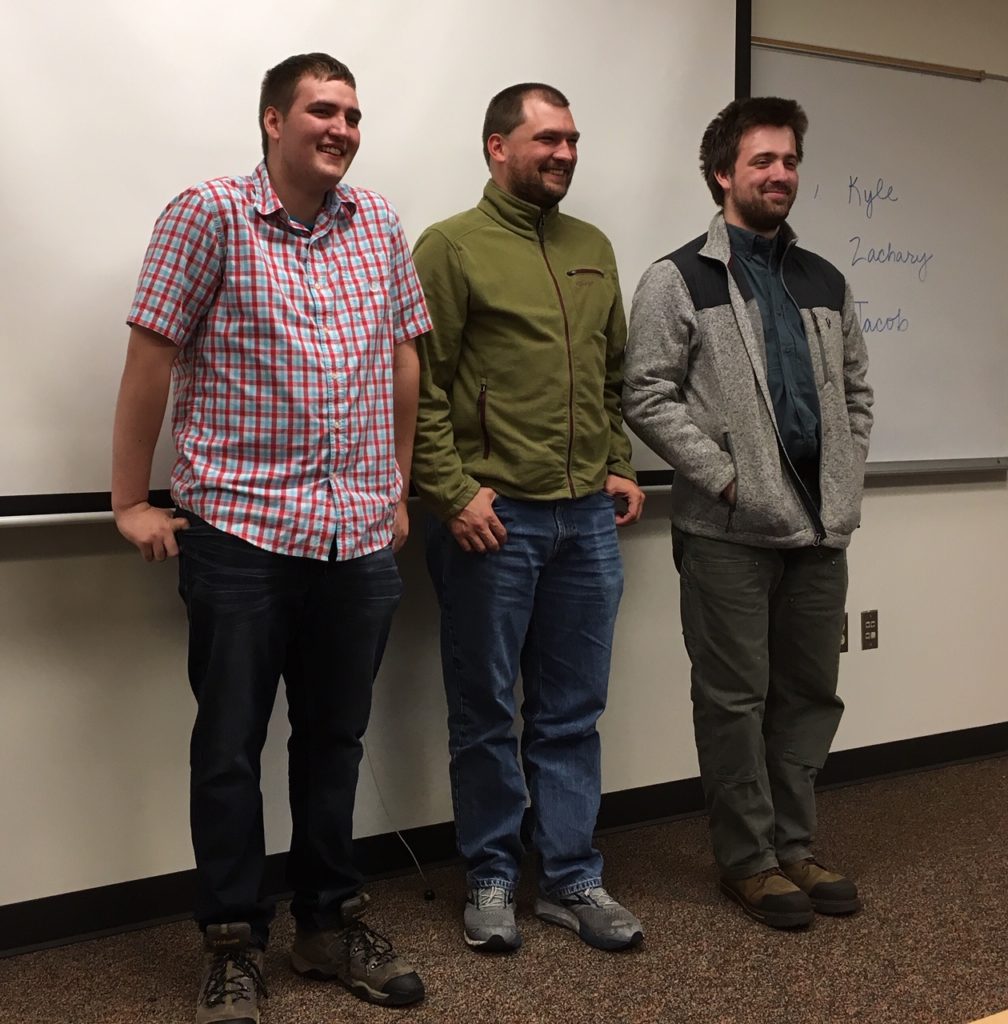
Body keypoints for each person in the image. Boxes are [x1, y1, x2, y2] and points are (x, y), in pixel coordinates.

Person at [111, 53, 431, 1022]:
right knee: (230, 747)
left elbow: (405, 354)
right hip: (242, 532)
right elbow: (152, 354)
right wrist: (130, 499)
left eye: (353, 113)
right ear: (272, 120)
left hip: (358, 536)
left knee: (334, 740)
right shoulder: (206, 213)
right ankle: (232, 943)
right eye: (321, 110)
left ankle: (329, 922)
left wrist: (399, 485)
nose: (340, 127)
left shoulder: (377, 221)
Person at [623, 97, 873, 930]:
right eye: (762, 161)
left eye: (790, 161)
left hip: (818, 530)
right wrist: (727, 481)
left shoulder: (824, 279)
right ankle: (750, 862)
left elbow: (859, 393)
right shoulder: (679, 277)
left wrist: (845, 478)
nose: (780, 175)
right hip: (729, 533)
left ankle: (796, 846)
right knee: (734, 699)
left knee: (809, 694)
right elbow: (647, 394)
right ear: (723, 173)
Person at [410, 83, 645, 953]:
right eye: (547, 139)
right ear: (495, 148)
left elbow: (612, 371)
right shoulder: (450, 247)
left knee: (572, 712)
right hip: (492, 518)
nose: (565, 154)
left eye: (574, 140)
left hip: (585, 518)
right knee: (482, 710)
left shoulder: (592, 246)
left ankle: (573, 877)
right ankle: (493, 877)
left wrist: (617, 465)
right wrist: (452, 490)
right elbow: (418, 388)